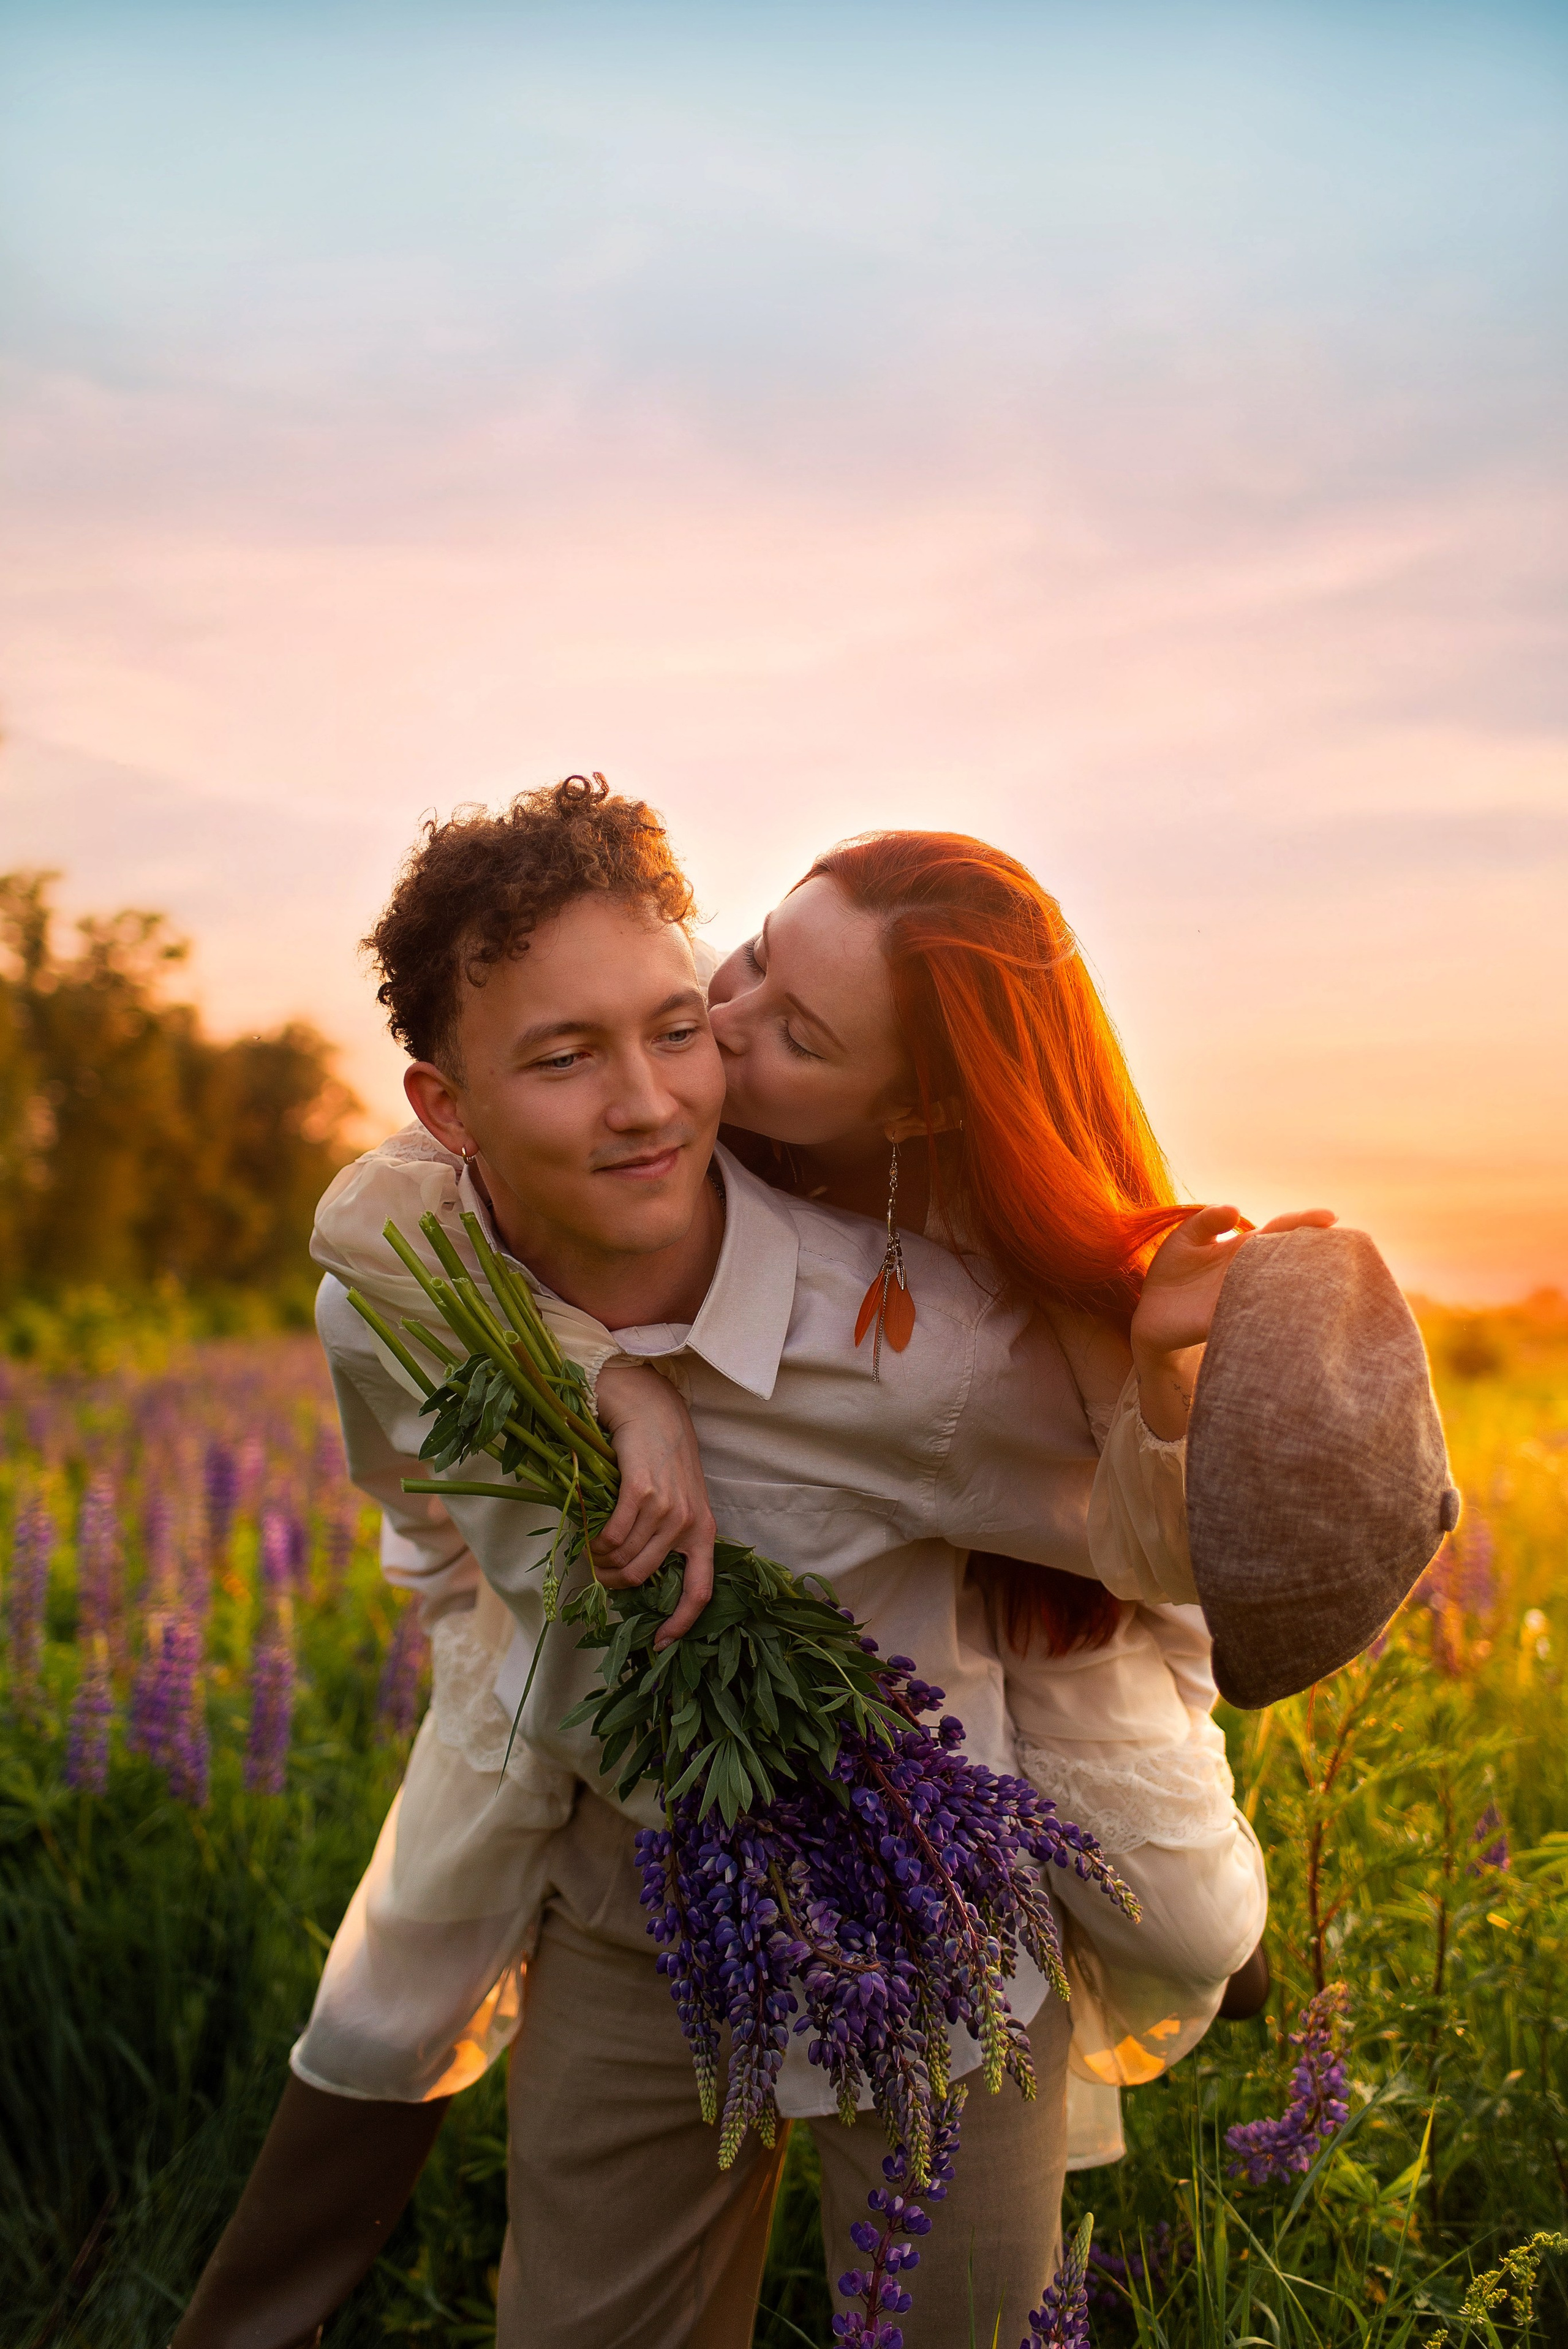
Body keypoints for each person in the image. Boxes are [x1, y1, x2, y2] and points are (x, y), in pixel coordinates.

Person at [173, 783, 1316, 2349]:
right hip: (642, 1898)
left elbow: (1135, 1545)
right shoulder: (395, 1296)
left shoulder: (911, 1344)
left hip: (930, 1917)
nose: (650, 1098)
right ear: (448, 1110)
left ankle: (1225, 1936)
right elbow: (423, 1512)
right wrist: (564, 1486)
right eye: (565, 1058)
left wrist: (1165, 1368)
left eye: (673, 1027)